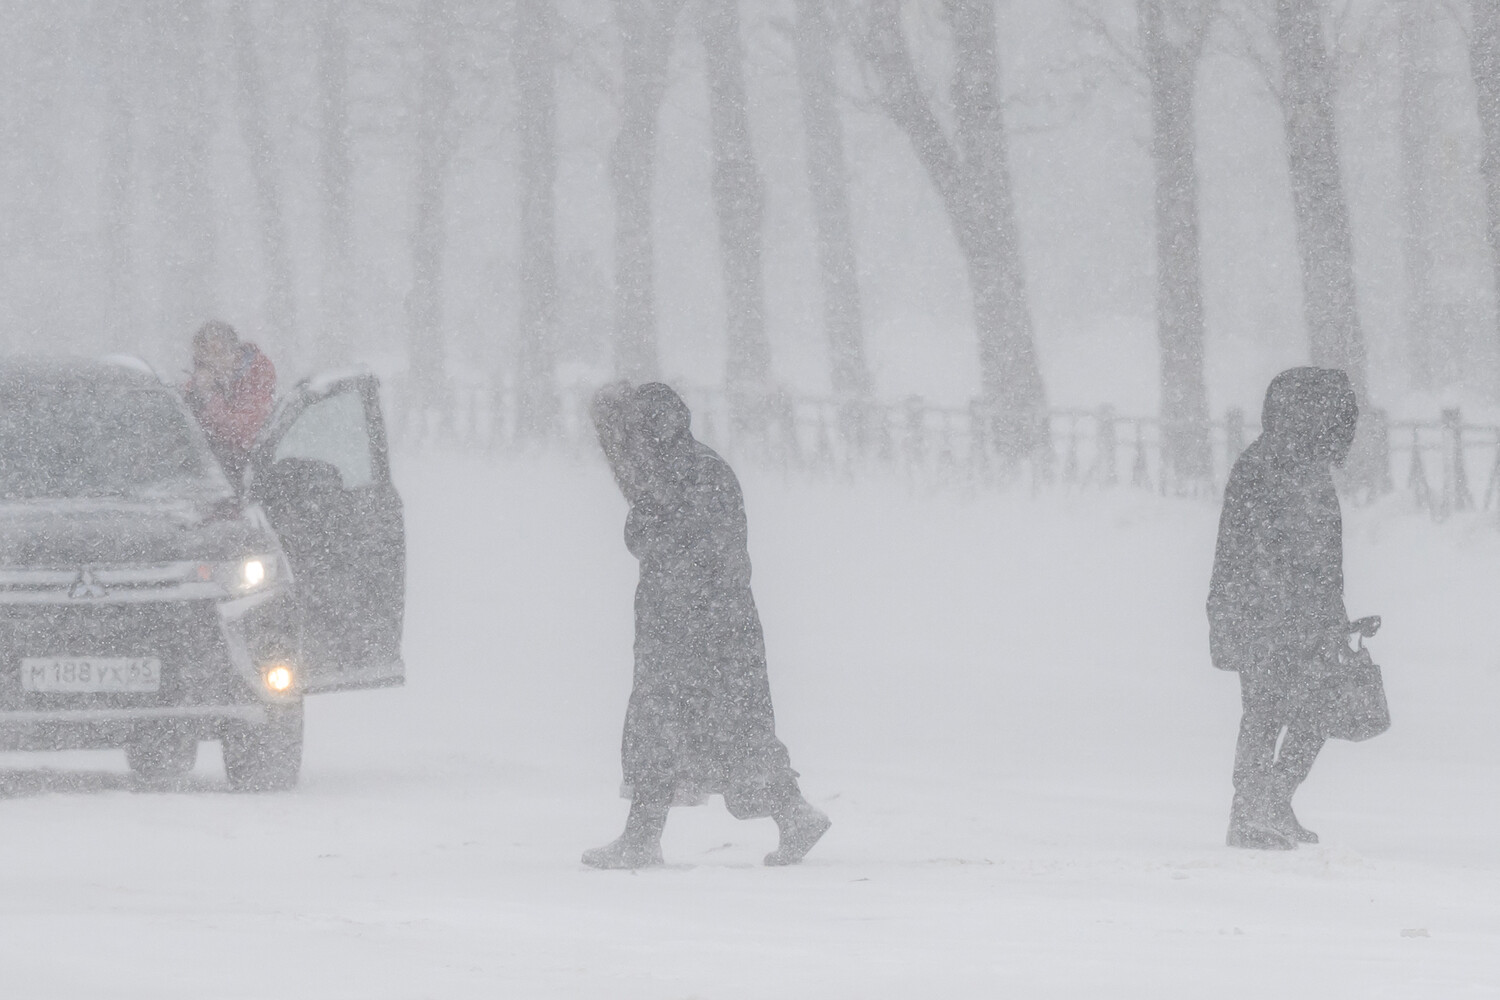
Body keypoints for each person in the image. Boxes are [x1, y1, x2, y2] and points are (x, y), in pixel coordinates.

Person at [584, 382, 830, 869]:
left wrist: (686, 604)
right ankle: (788, 813)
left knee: (668, 723)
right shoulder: (696, 468)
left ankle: (644, 838)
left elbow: (659, 540)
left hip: (690, 624)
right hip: (713, 623)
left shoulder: (679, 476)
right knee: (726, 726)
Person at [1207, 367, 1374, 850]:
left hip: (1299, 617)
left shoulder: (1306, 469)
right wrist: (1286, 613)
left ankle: (1272, 802)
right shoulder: (1264, 466)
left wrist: (1334, 617)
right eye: (1336, 421)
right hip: (1261, 617)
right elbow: (1254, 553)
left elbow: (1322, 557)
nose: (1343, 434)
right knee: (1264, 710)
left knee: (1315, 710)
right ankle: (1248, 815)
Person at [184, 320, 276, 482]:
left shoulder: (257, 378)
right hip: (210, 478)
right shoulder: (197, 386)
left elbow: (243, 434)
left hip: (248, 476)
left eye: (213, 357)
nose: (207, 368)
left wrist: (209, 396)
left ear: (232, 353)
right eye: (201, 362)